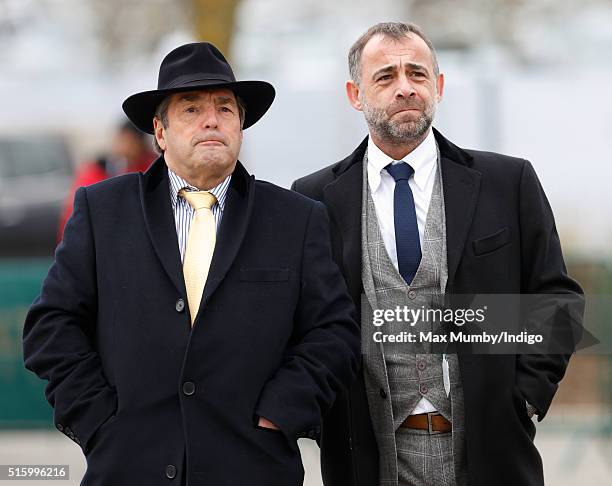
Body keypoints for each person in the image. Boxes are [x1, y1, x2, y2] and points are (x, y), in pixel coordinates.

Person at [23, 42, 360, 486]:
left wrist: (284, 410)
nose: (211, 119)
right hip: (127, 469)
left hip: (252, 467)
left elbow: (333, 332)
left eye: (225, 108)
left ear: (241, 126)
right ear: (160, 132)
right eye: (190, 108)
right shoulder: (103, 210)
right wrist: (98, 420)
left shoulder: (295, 219)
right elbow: (51, 326)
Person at [292, 22, 583, 486]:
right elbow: (302, 324)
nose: (405, 87)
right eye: (385, 76)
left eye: (418, 74)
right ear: (355, 94)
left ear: (439, 86)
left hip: (491, 457)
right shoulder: (315, 198)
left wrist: (522, 398)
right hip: (367, 460)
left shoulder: (508, 183)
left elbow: (558, 303)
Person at [57, 120, 156, 240]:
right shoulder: (96, 169)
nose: (126, 147)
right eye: (123, 140)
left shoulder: (152, 167)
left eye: (131, 141)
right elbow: (75, 213)